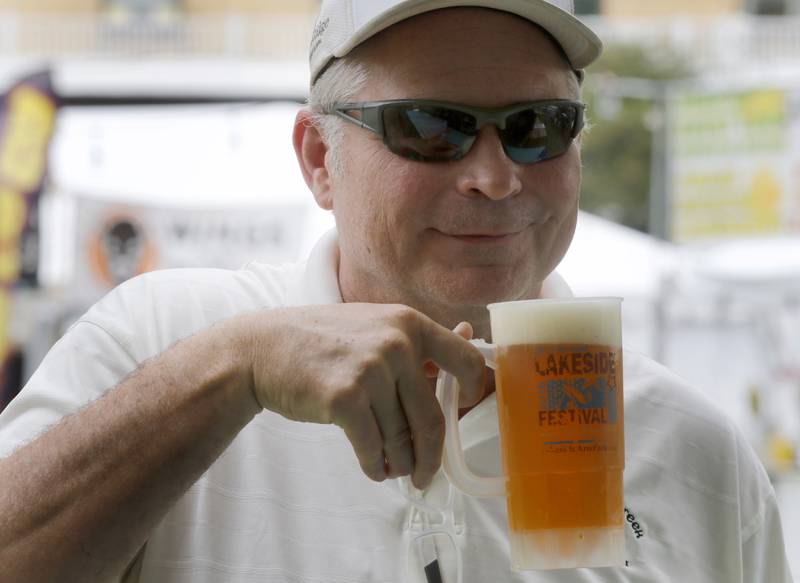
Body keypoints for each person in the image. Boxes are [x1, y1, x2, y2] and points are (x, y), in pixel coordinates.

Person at [0, 1, 792, 581]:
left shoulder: (693, 449)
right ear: (319, 159)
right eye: (431, 127)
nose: (494, 176)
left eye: (538, 126)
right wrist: (234, 371)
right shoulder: (167, 336)